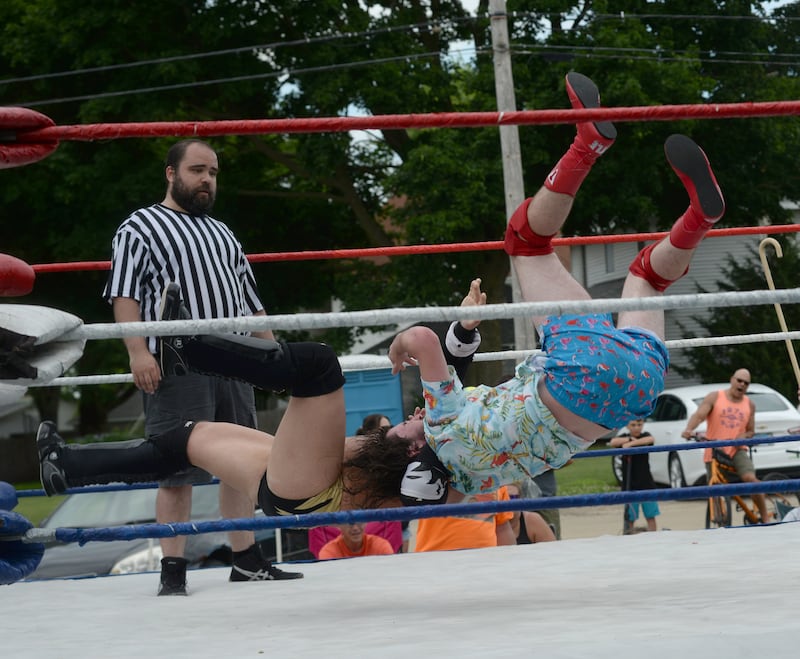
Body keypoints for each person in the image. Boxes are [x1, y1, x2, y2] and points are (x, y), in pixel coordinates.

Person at [37, 73, 724, 527]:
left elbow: (445, 375)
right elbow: (436, 361)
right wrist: (416, 346)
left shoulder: (464, 449)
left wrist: (441, 349)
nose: (405, 421)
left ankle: (615, 164)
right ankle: (79, 459)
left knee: (609, 269)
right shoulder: (446, 443)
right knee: (220, 421)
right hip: (312, 486)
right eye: (407, 428)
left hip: (616, 395)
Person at [102, 138, 302, 595]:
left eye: (212, 172)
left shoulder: (224, 233)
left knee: (242, 462)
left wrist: (275, 358)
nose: (206, 180)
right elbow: (124, 294)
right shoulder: (139, 226)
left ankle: (246, 559)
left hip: (234, 360)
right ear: (171, 173)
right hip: (178, 362)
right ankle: (172, 570)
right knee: (176, 467)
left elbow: (251, 303)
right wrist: (137, 351)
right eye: (197, 170)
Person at [680, 369, 771, 522]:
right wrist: (689, 429)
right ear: (732, 379)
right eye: (739, 380)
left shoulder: (750, 404)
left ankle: (765, 517)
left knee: (750, 478)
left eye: (746, 383)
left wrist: (742, 437)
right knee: (714, 487)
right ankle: (719, 520)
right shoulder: (715, 397)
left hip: (737, 449)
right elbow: (699, 415)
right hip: (715, 449)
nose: (742, 385)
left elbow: (750, 431)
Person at [308, 412, 401, 557]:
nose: (388, 432)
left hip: (379, 534)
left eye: (390, 428)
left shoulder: (391, 470)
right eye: (383, 429)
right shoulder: (350, 458)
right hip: (337, 530)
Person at [413, 485, 516, 552]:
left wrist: (510, 560)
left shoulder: (496, 479)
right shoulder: (433, 471)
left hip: (484, 559)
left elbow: (502, 527)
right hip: (434, 556)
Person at [610, 419, 660, 533]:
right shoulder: (623, 437)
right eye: (633, 425)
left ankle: (654, 536)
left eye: (639, 425)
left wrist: (631, 444)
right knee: (630, 517)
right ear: (627, 426)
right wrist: (628, 439)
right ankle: (630, 536)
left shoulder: (645, 436)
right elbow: (613, 442)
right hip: (630, 485)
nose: (636, 427)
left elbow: (650, 439)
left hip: (646, 484)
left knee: (650, 515)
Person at [318, 522, 394, 560]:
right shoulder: (328, 552)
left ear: (366, 523)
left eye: (359, 522)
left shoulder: (381, 546)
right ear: (339, 525)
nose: (355, 528)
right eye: (350, 523)